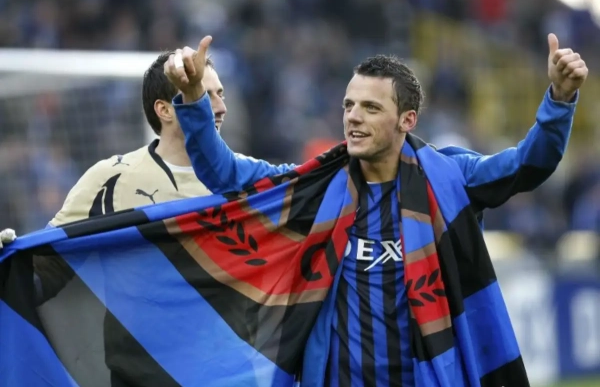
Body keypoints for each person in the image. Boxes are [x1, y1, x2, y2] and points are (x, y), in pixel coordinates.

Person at [163, 35, 587, 386]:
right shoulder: (316, 188)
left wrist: (560, 99)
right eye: (349, 105)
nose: (353, 118)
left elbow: (526, 165)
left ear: (407, 120)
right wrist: (194, 96)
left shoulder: (450, 178)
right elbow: (225, 173)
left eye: (371, 108)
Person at [0, 51, 227, 244]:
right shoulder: (110, 180)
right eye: (203, 96)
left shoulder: (240, 180)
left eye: (220, 94)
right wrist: (9, 258)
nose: (221, 108)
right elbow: (47, 259)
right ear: (165, 110)